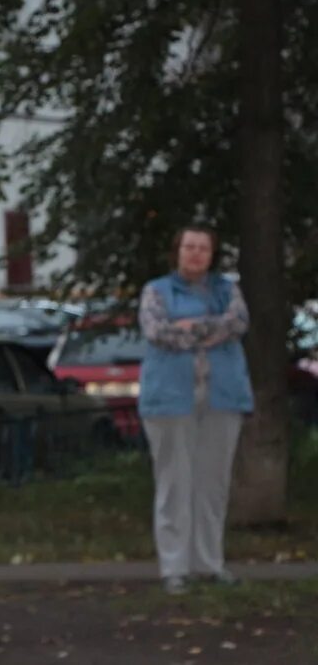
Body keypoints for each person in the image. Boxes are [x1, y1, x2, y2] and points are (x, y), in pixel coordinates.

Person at [137, 225, 254, 595]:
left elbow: (237, 323)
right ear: (178, 251)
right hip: (170, 398)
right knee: (174, 483)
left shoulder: (227, 289)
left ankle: (209, 563)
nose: (196, 254)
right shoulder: (156, 291)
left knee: (212, 484)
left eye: (203, 248)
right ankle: (174, 567)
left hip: (222, 395)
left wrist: (189, 327)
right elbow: (158, 332)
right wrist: (210, 329)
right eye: (190, 246)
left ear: (212, 254)